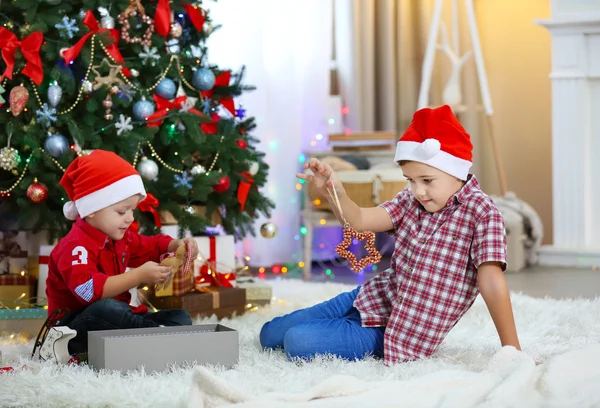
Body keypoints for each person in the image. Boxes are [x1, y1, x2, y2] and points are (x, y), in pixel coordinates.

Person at [260, 105, 521, 365]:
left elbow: (491, 283)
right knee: (269, 335)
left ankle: (337, 330)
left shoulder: (482, 213)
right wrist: (334, 191)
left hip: (396, 333)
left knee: (297, 341)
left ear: (457, 171)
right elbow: (361, 220)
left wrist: (512, 351)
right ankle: (337, 324)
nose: (418, 190)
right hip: (373, 297)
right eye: (410, 180)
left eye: (427, 180)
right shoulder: (411, 200)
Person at [43, 150, 198, 362]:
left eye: (132, 210)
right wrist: (138, 276)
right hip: (73, 327)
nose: (129, 218)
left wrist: (177, 244)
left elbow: (150, 245)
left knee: (180, 316)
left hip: (115, 318)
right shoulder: (75, 247)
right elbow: (90, 292)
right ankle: (159, 338)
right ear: (91, 209)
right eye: (121, 211)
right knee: (107, 308)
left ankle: (152, 337)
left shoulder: (119, 237)